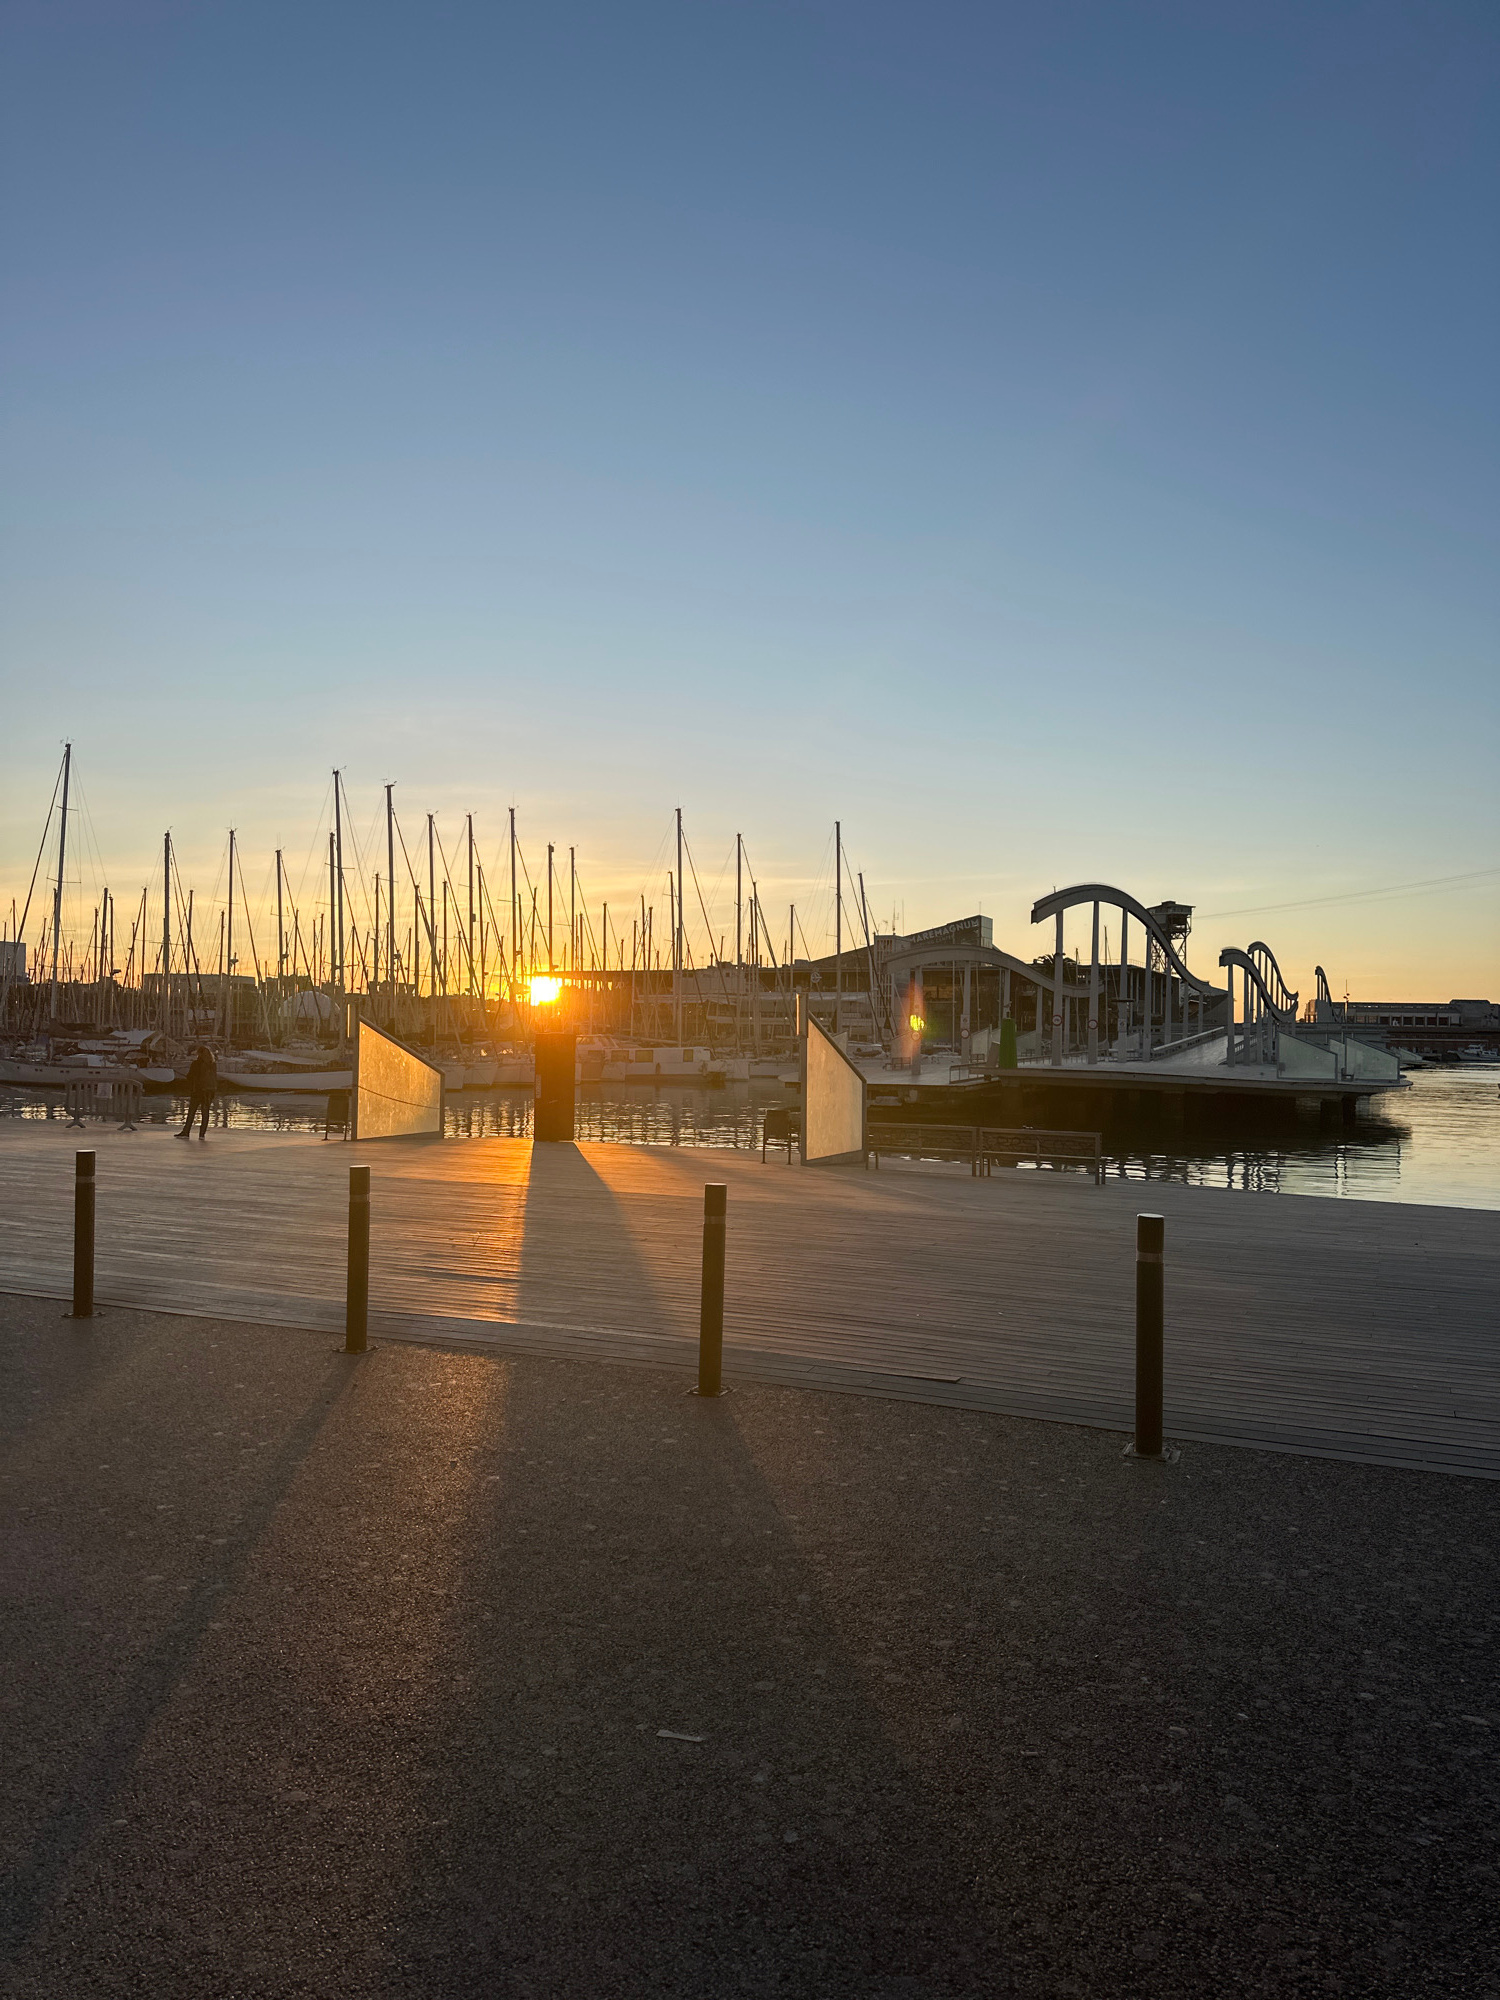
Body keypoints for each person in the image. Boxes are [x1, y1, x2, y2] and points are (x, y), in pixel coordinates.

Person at [176, 1045, 217, 1140]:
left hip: (198, 1091)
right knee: (205, 1113)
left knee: (192, 1112)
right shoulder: (212, 1064)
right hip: (209, 1091)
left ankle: (186, 1132)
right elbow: (214, 1078)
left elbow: (191, 1076)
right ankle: (202, 1134)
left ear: (199, 1053)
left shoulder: (196, 1063)